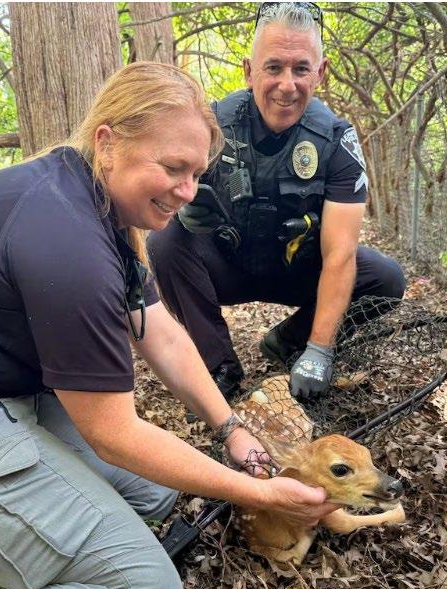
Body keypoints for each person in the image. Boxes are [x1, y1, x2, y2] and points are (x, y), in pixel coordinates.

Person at [0, 62, 340, 589]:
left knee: (152, 493)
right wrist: (258, 494)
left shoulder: (94, 202)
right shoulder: (66, 241)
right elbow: (113, 435)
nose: (188, 192)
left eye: (197, 174)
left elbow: (160, 331)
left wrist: (231, 428)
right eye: (173, 168)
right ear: (108, 142)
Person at [148, 2, 406, 401]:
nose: (287, 85)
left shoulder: (338, 141)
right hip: (228, 264)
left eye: (301, 68)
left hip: (297, 268)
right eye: (273, 67)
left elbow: (340, 254)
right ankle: (218, 365)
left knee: (385, 279)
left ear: (321, 72)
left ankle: (290, 342)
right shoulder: (210, 124)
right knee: (164, 241)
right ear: (249, 71)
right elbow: (159, 192)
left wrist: (321, 350)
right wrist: (180, 208)